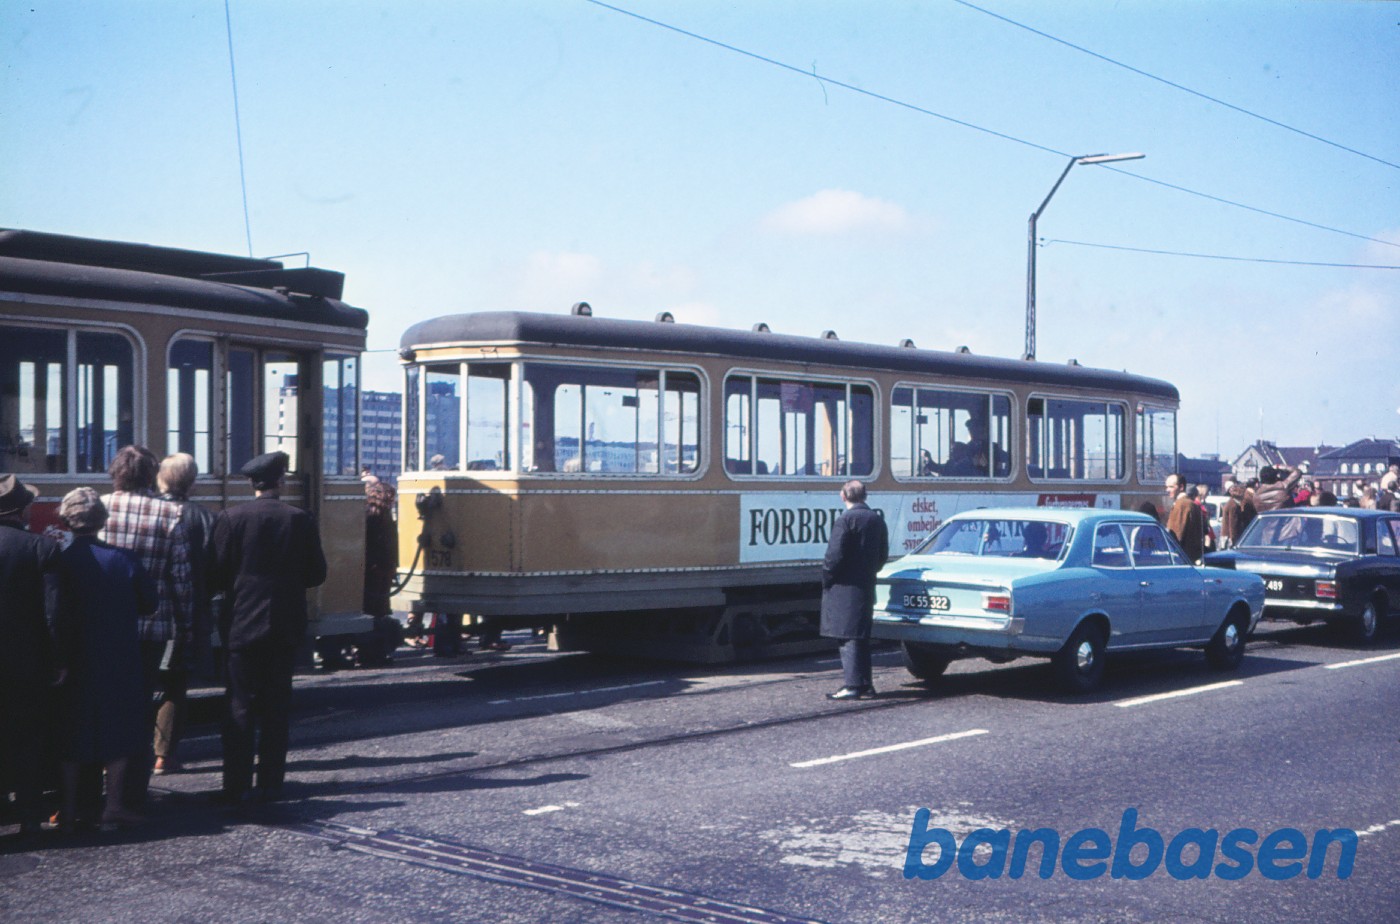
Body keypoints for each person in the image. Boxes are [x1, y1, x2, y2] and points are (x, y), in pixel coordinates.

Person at [210, 451, 327, 804]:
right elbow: (316, 574)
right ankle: (271, 782)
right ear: (282, 481)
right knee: (277, 707)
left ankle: (236, 784)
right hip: (284, 625)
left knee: (239, 705)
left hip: (241, 624)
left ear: (252, 483)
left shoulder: (230, 519)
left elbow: (215, 573)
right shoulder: (300, 520)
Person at [54, 488, 155, 831]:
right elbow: (149, 603)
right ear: (102, 520)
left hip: (72, 659)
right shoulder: (124, 559)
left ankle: (68, 810)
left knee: (71, 731)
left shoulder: (59, 561)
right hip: (118, 657)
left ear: (66, 520)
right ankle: (112, 806)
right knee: (118, 731)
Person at [100, 445, 193, 806]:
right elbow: (180, 578)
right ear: (151, 475)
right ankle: (132, 793)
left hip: (104, 627)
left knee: (101, 705)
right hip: (152, 627)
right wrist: (185, 624)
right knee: (139, 709)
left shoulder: (101, 507)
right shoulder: (170, 514)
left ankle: (97, 792)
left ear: (116, 473)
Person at [0, 474, 66, 835]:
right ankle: (28, 815)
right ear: (22, 510)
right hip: (27, 663)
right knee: (27, 737)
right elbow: (52, 613)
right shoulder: (42, 548)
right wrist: (57, 660)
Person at [154, 452, 219, 774]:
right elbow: (217, 569)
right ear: (192, 482)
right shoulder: (206, 518)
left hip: (146, 612)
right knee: (175, 685)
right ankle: (164, 754)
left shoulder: (148, 511)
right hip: (189, 614)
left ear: (161, 479)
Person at [820, 480, 889, 701]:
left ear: (843, 496)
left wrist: (827, 578)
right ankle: (865, 684)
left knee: (847, 636)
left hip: (844, 587)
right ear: (865, 496)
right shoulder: (876, 519)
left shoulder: (845, 520)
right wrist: (869, 571)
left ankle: (853, 685)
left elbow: (834, 557)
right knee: (860, 636)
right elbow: (883, 555)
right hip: (865, 584)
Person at [357, 480, 402, 667]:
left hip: (372, 570)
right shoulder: (381, 517)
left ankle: (369, 652)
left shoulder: (368, 514)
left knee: (371, 610)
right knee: (378, 611)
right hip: (380, 570)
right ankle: (374, 654)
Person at [1164, 473, 1205, 563]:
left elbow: (1176, 536)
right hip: (1192, 556)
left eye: (1171, 487)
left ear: (1181, 487)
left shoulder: (1182, 505)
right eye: (1166, 487)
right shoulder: (1191, 504)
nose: (1167, 490)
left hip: (1182, 558)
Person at [1221, 482, 1256, 549]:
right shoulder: (1234, 506)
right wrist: (1233, 539)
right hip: (1230, 537)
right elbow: (1233, 524)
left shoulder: (1231, 503)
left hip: (1227, 535)